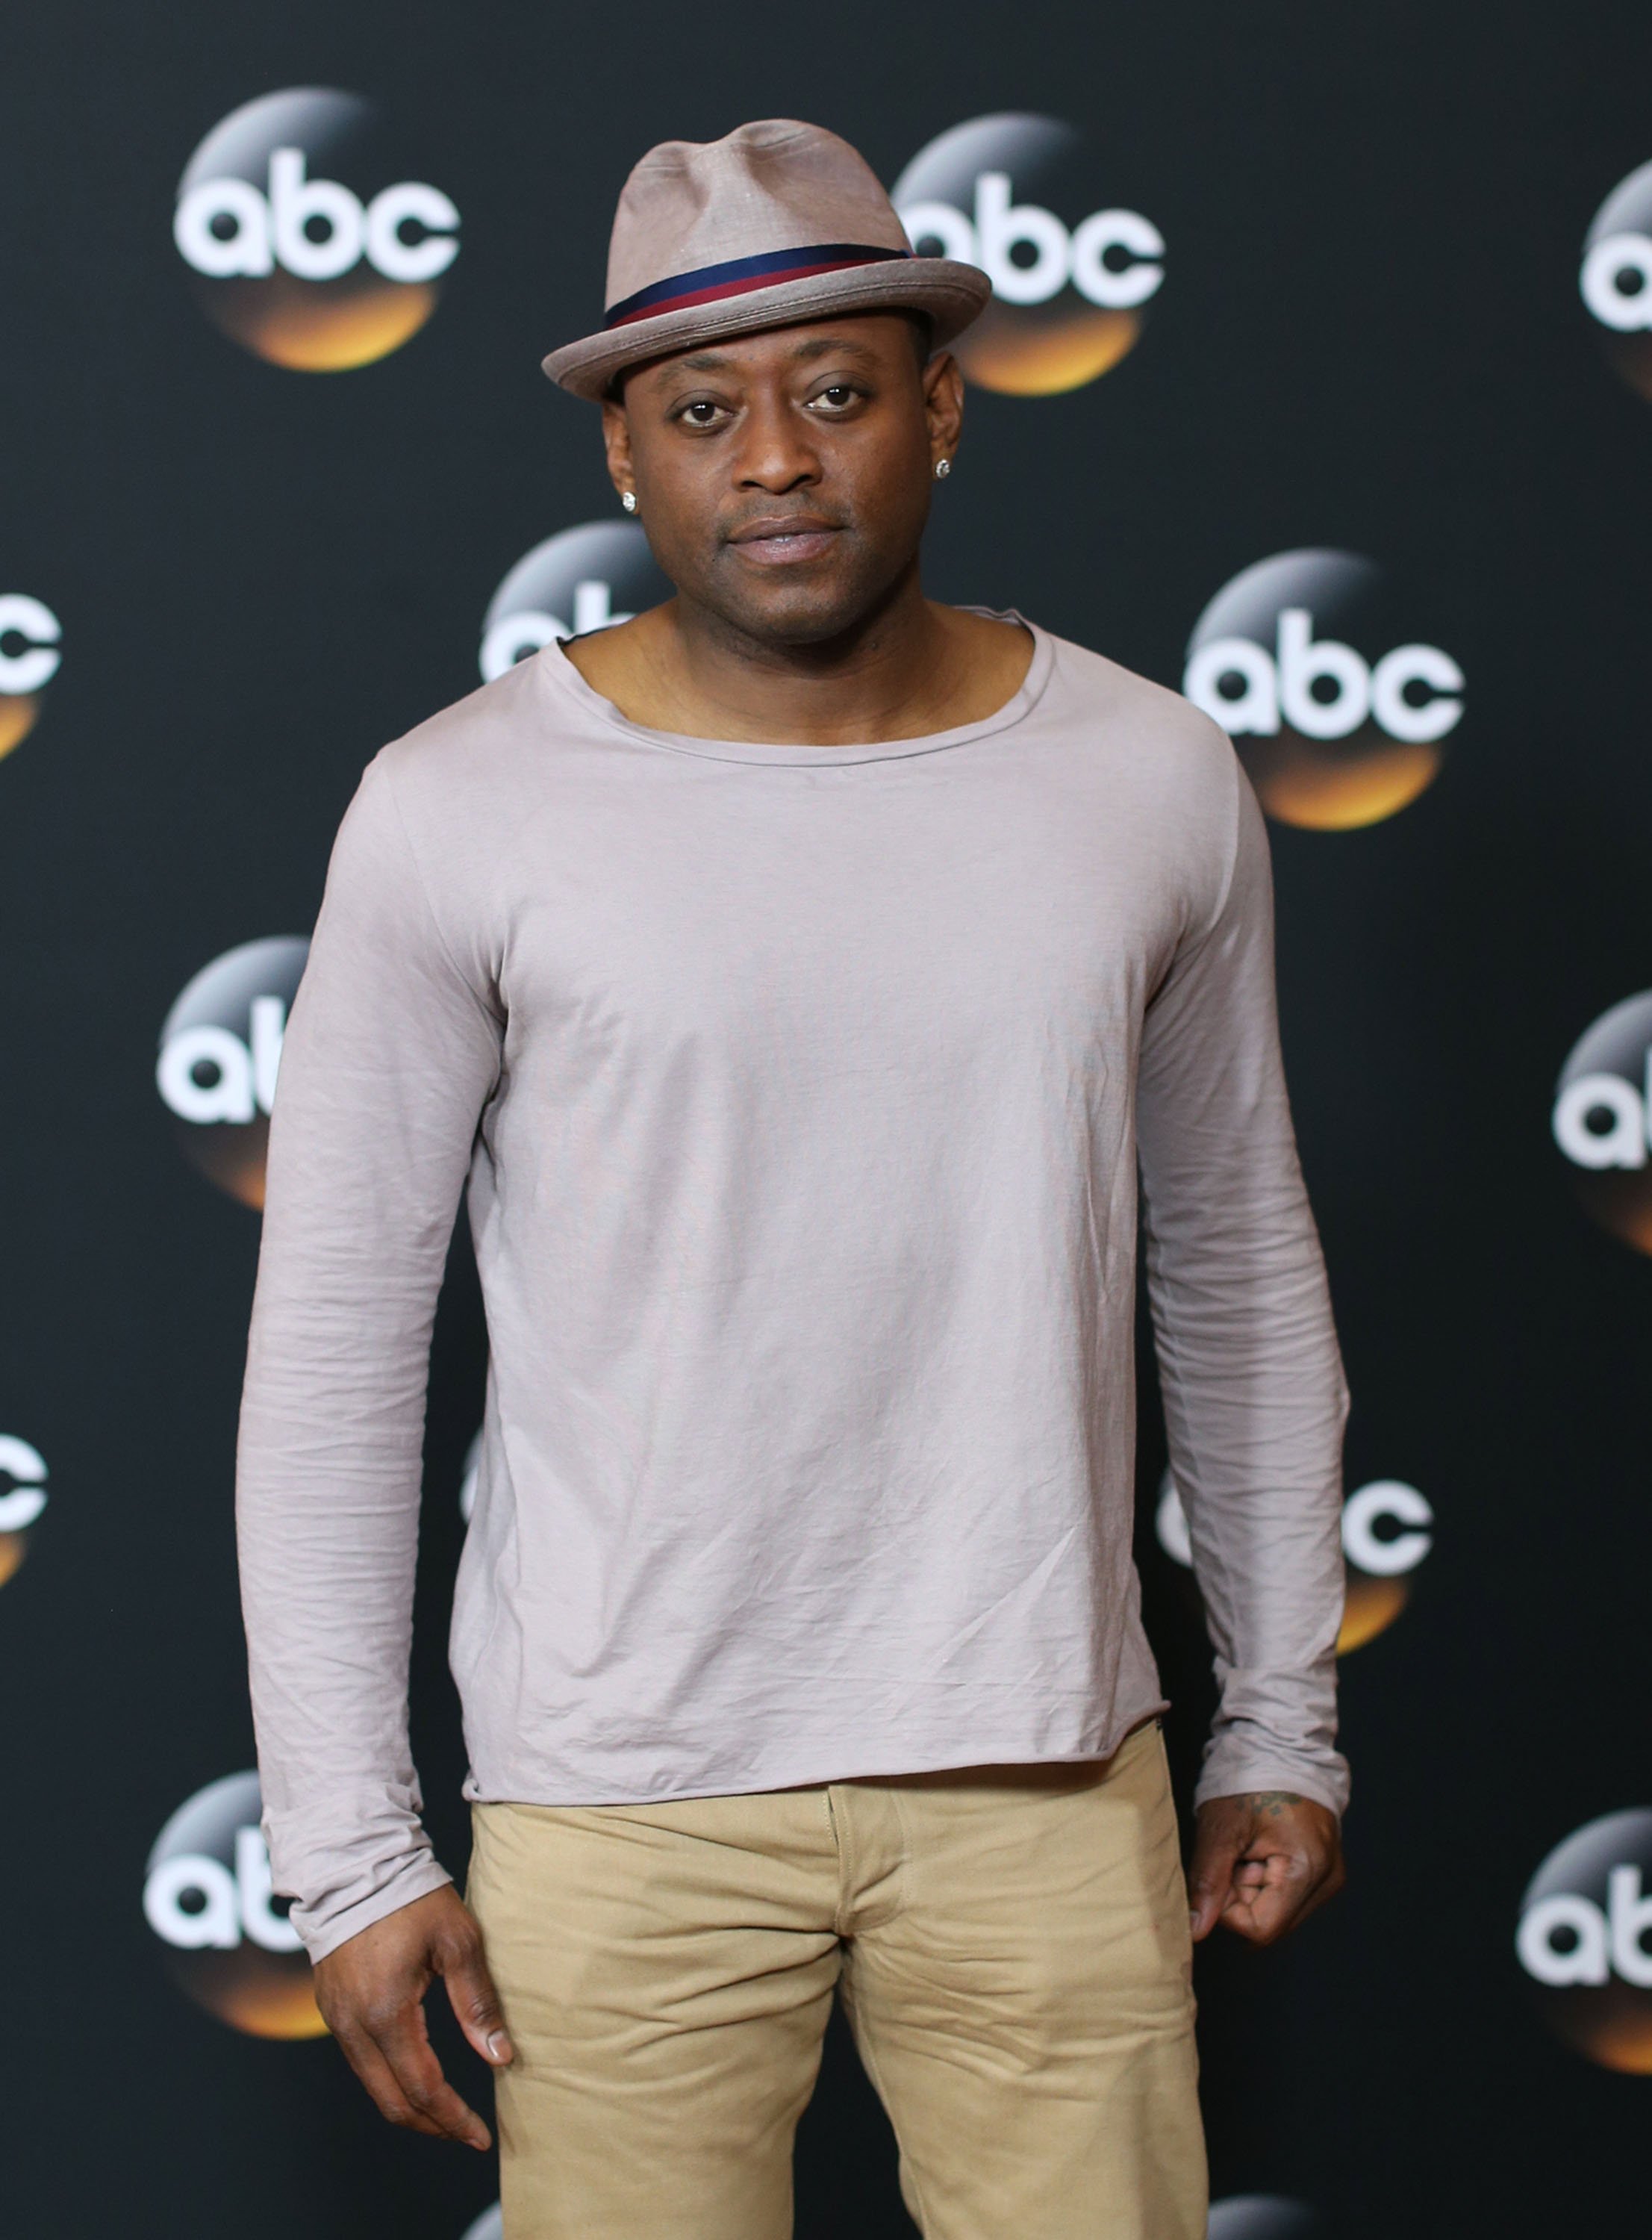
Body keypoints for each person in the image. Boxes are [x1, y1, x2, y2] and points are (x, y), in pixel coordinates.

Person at [236, 118, 1349, 2240]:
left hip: (1042, 1772)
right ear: (622, 457)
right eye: (703, 408)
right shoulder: (455, 808)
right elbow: (340, 1358)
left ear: (938, 406)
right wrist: (354, 1849)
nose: (775, 460)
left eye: (835, 392)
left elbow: (1236, 1267)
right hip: (616, 1799)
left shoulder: (1147, 777)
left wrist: (1280, 1713)